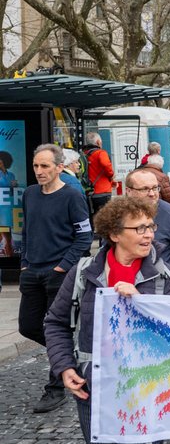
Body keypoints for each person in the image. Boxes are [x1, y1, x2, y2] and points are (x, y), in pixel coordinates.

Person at [43, 196, 170, 444]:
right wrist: (64, 367)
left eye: (151, 226)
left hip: (143, 397)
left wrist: (142, 305)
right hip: (94, 395)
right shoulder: (84, 272)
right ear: (115, 234)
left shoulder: (163, 276)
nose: (149, 234)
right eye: (140, 228)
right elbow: (55, 322)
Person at [17, 144, 94, 413]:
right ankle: (67, 357)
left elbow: (84, 237)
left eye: (45, 166)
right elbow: (26, 230)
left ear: (59, 167)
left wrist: (62, 267)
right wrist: (24, 264)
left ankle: (55, 388)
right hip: (32, 271)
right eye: (36, 166)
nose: (39, 171)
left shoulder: (72, 196)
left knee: (58, 327)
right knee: (28, 326)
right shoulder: (30, 194)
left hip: (58, 274)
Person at [82, 131, 115, 214]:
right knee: (104, 217)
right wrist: (111, 175)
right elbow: (105, 164)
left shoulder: (84, 154)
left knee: (93, 217)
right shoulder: (101, 153)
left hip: (89, 192)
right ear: (98, 142)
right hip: (103, 191)